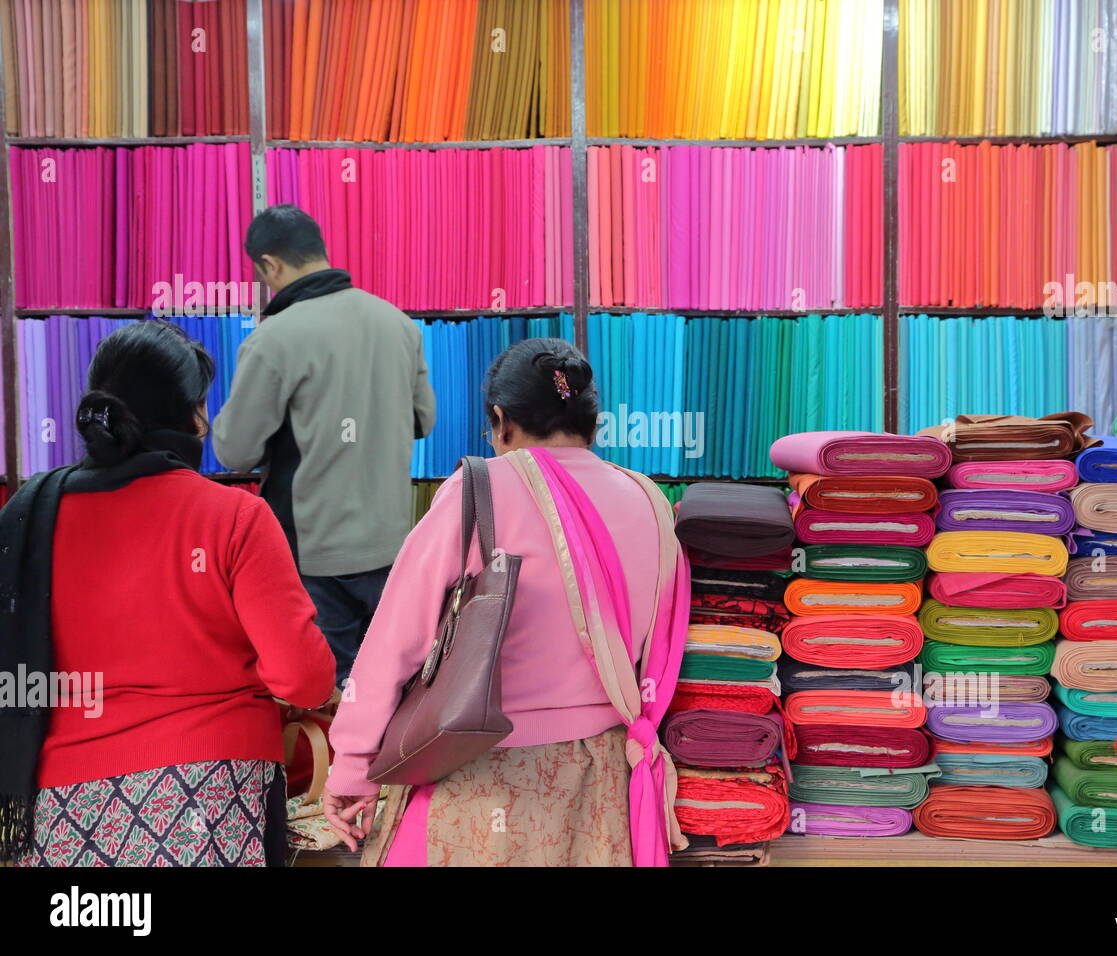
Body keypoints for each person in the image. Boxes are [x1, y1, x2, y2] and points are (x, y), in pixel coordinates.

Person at [323, 338, 690, 866]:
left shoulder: (481, 489)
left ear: (502, 421)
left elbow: (395, 643)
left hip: (479, 778)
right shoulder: (649, 500)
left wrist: (354, 766)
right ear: (594, 422)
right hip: (603, 784)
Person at [0, 320, 335, 867]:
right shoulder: (235, 517)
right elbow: (304, 677)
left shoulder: (31, 516)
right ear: (194, 415)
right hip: (216, 792)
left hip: (66, 800)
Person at [213, 204, 437, 688]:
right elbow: (424, 420)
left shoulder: (274, 338)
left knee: (331, 699)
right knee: (395, 688)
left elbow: (235, 452)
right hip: (389, 544)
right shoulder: (396, 323)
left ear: (270, 265)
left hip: (313, 555)